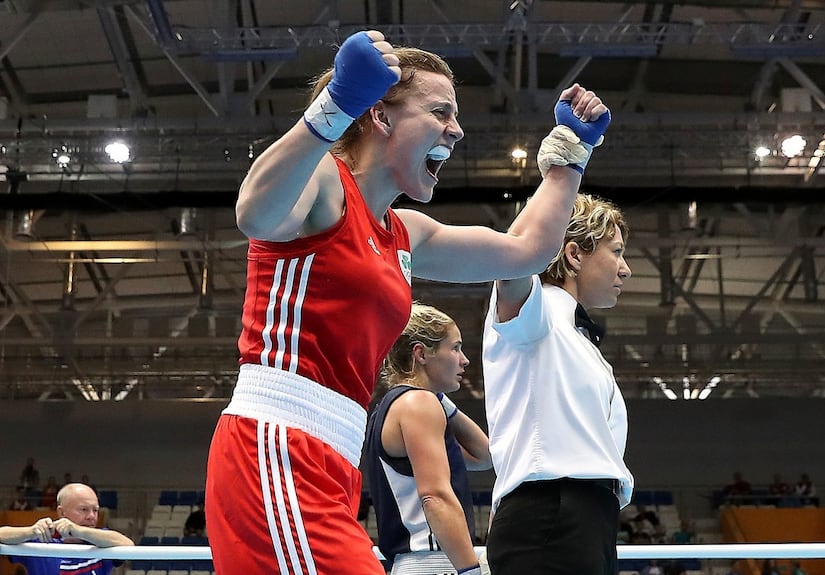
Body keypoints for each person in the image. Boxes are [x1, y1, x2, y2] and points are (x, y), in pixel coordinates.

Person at [204, 27, 611, 575]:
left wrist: (569, 156)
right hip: (277, 440)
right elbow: (254, 214)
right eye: (441, 111)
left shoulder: (405, 233)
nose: (457, 129)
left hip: (333, 457)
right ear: (381, 116)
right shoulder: (325, 181)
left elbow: (526, 252)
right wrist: (334, 107)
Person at [481, 193, 632, 575]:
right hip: (550, 514)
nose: (625, 269)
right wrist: (563, 174)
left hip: (587, 521)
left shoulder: (577, 337)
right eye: (616, 251)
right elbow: (511, 256)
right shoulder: (539, 311)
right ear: (574, 255)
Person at [364, 303, 492, 575]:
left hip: (416, 563)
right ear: (421, 354)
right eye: (455, 348)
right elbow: (435, 496)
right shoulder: (418, 406)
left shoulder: (395, 407)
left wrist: (441, 399)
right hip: (436, 561)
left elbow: (484, 457)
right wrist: (469, 570)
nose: (464, 359)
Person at [0, 483, 134, 575]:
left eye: (95, 510)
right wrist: (30, 531)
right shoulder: (40, 543)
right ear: (62, 513)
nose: (92, 517)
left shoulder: (102, 542)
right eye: (84, 510)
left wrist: (79, 531)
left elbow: (128, 545)